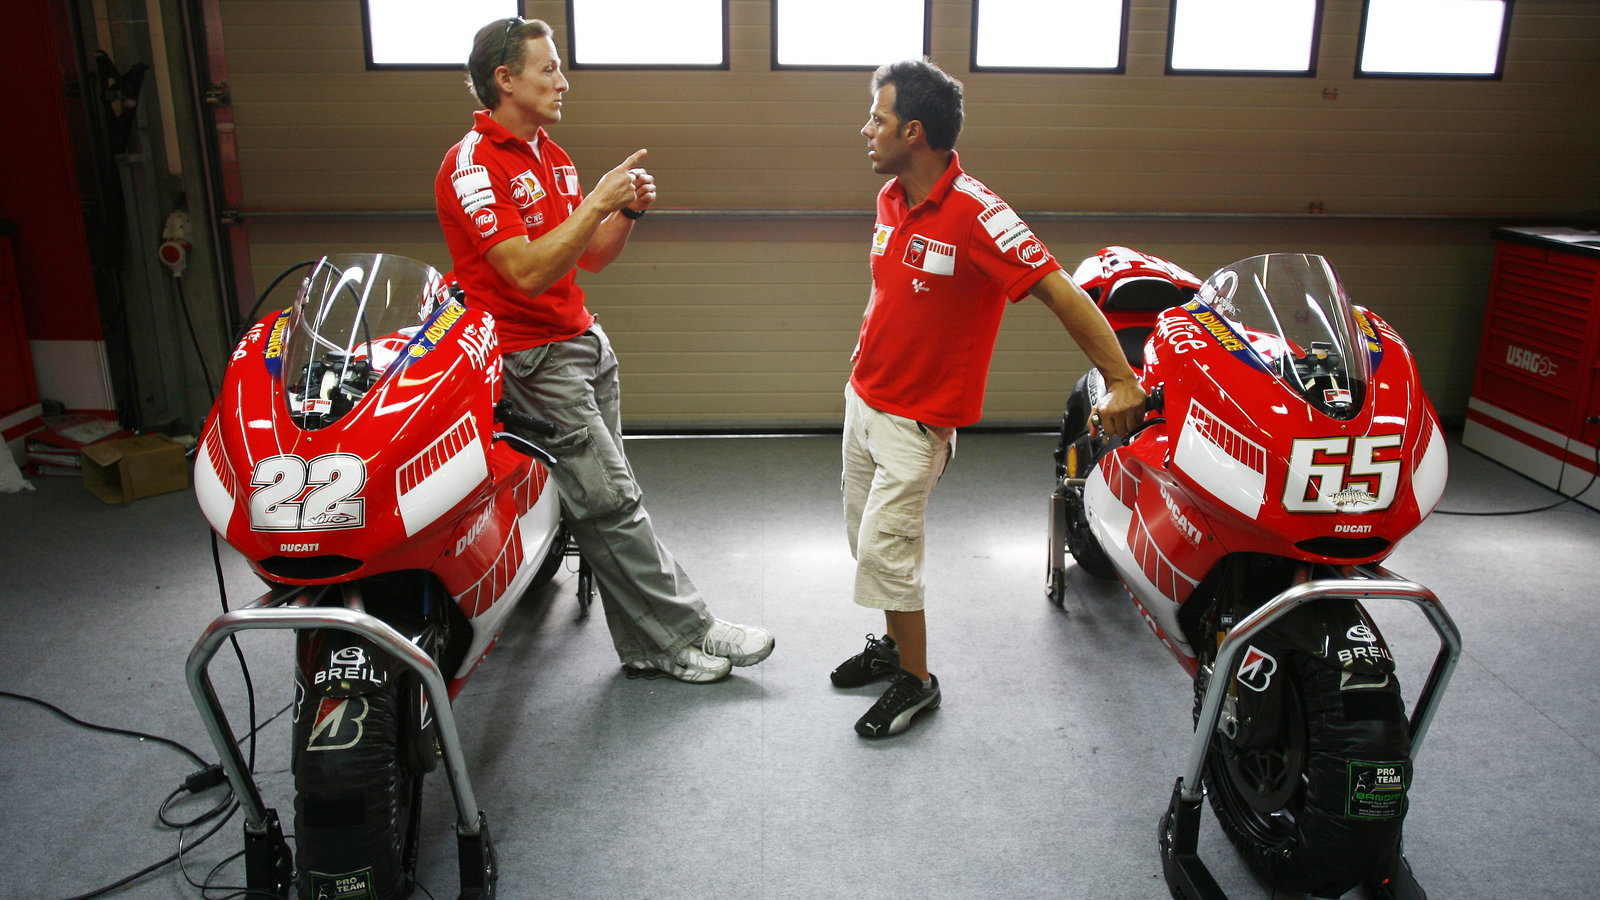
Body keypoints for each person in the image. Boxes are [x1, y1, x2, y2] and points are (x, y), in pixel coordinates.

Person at [435, 17, 773, 683]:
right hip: (530, 359)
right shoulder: (472, 165)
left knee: (603, 502)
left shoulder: (551, 157)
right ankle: (689, 629)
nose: (563, 81)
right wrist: (596, 202)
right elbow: (525, 271)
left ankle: (647, 646)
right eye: (548, 69)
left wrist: (623, 215)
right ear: (505, 80)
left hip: (581, 342)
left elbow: (588, 259)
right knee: (611, 502)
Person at [833, 59, 1146, 737]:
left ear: (913, 132)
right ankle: (893, 647)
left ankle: (916, 681)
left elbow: (1060, 289)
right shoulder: (891, 198)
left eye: (877, 118)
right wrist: (863, 356)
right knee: (865, 540)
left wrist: (1121, 378)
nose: (866, 130)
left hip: (917, 423)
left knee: (890, 550)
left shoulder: (979, 214)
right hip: (866, 400)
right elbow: (891, 292)